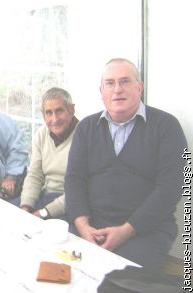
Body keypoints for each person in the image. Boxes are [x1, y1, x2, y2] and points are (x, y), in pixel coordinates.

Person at [64, 58, 187, 270]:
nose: (117, 89)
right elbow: (74, 180)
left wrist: (125, 231)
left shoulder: (167, 127)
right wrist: (83, 227)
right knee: (59, 268)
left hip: (145, 232)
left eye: (125, 81)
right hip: (90, 225)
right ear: (101, 91)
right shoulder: (86, 128)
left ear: (139, 87)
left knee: (117, 279)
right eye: (110, 83)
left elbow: (170, 190)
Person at [20, 87, 78, 219]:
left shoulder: (84, 136)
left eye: (59, 111)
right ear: (43, 114)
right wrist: (26, 206)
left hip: (69, 205)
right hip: (44, 196)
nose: (54, 119)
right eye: (49, 113)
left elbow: (79, 190)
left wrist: (44, 213)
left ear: (72, 110)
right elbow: (35, 175)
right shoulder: (41, 134)